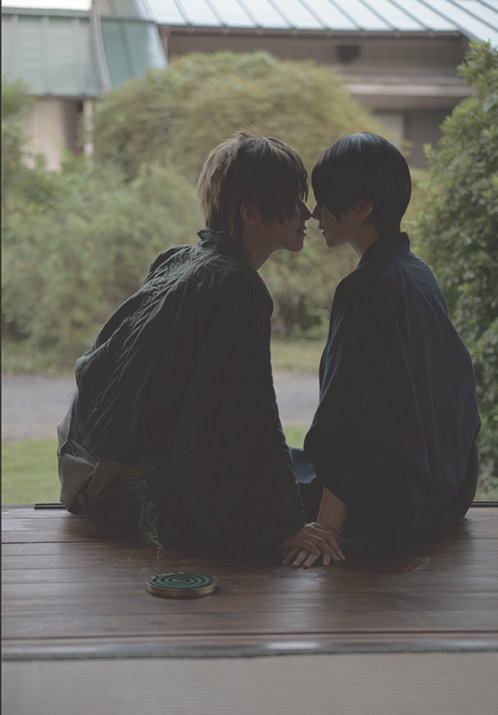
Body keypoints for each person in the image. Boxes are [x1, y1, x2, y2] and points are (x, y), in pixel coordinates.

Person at [57, 129, 344, 563]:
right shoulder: (236, 285)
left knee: (303, 468)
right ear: (251, 213)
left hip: (80, 463)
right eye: (293, 200)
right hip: (122, 485)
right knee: (311, 489)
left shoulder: (180, 258)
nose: (306, 212)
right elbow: (249, 416)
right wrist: (285, 527)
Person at [283, 133, 481, 569]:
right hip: (444, 494)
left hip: (401, 506)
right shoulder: (418, 273)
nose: (314, 213)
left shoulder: (365, 287)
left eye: (324, 200)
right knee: (293, 463)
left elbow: (349, 420)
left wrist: (327, 532)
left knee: (268, 474)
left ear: (361, 207)